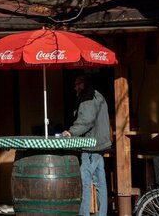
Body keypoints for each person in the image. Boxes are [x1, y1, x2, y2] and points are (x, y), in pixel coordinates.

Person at [62, 74, 111, 216]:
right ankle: (102, 213)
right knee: (100, 182)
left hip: (90, 145)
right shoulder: (97, 95)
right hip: (99, 144)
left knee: (85, 181)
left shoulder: (88, 98)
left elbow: (86, 120)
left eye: (77, 84)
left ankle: (84, 213)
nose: (75, 87)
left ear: (84, 84)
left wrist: (71, 132)